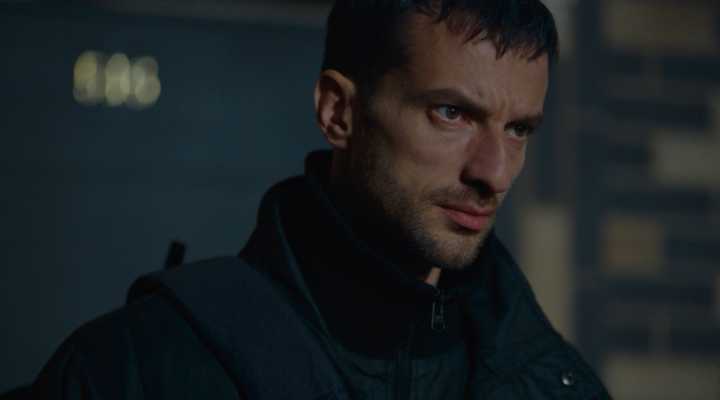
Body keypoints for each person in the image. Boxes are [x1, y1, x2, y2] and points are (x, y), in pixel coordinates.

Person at [29, 0, 611, 399]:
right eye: (451, 113)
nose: (495, 172)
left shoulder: (556, 383)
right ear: (338, 112)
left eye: (519, 129)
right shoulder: (138, 368)